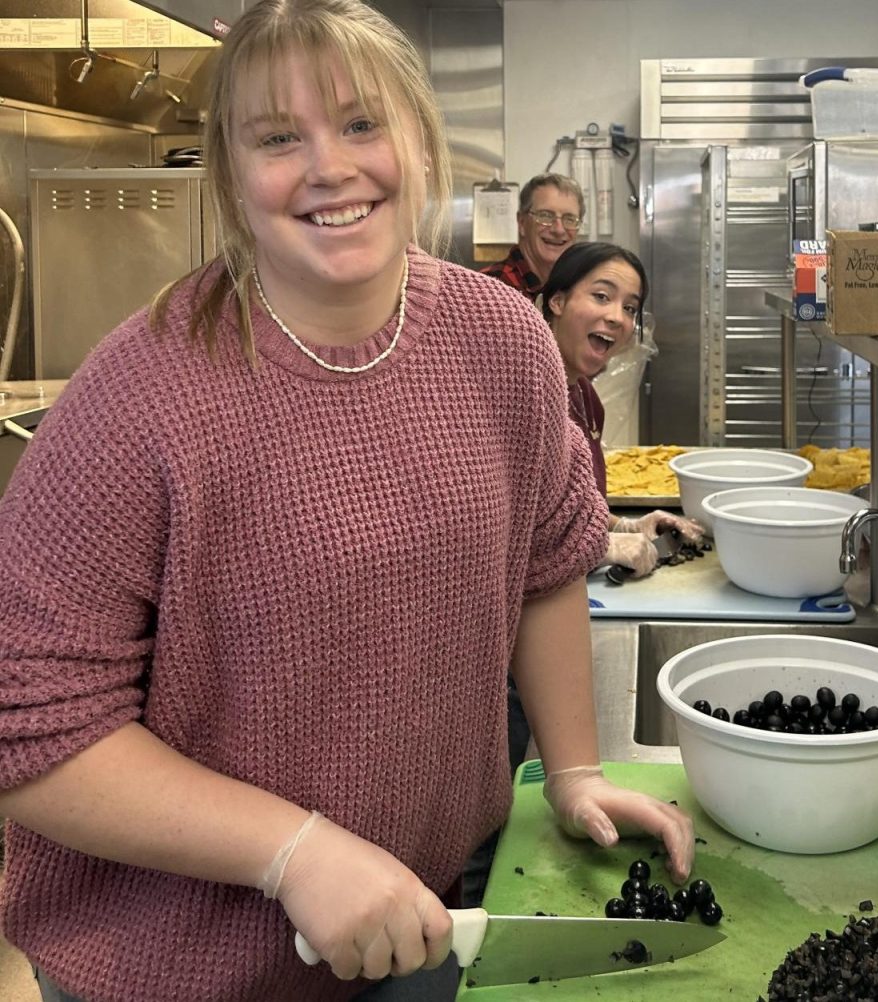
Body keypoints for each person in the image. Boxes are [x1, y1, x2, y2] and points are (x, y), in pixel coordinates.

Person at [0, 3, 694, 1001]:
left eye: (361, 123)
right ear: (232, 177)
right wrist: (294, 853)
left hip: (428, 923)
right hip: (177, 969)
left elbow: (548, 564)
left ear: (417, 137)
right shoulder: (143, 391)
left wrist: (575, 772)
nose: (330, 166)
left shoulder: (502, 343)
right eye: (279, 138)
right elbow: (32, 729)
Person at [542, 242, 704, 578]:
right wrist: (604, 547)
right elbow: (509, 529)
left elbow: (567, 510)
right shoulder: (524, 394)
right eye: (601, 296)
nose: (618, 317)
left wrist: (626, 526)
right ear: (557, 301)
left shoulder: (584, 397)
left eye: (630, 308)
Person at [481, 173, 584, 299]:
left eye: (569, 219)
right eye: (545, 215)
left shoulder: (578, 288)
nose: (558, 229)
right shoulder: (488, 288)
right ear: (522, 223)